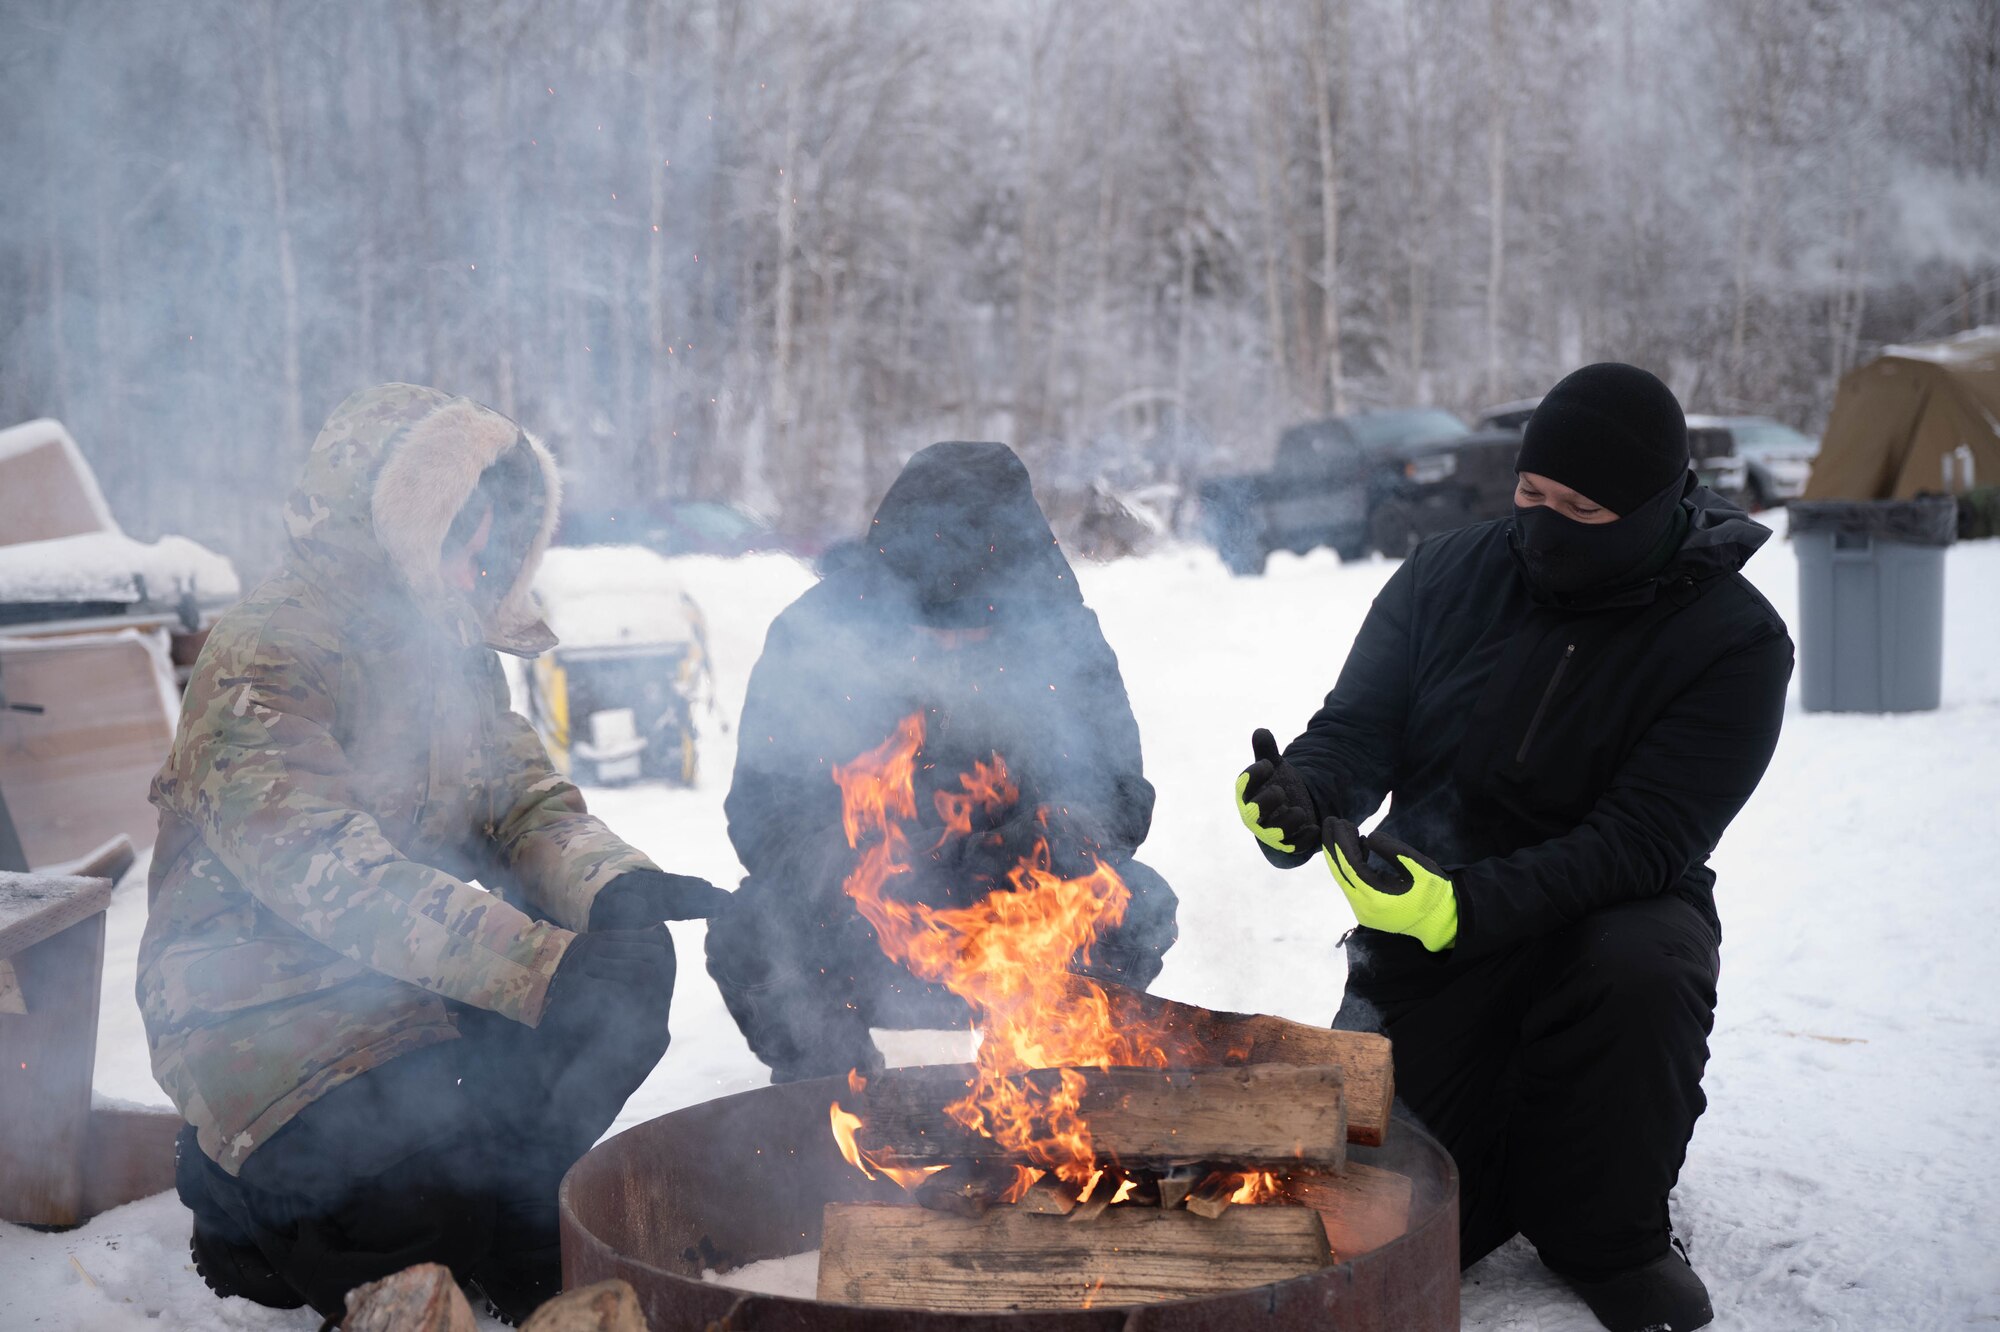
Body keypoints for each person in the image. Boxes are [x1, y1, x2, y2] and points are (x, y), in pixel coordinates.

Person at [139, 384, 728, 1322]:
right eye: (462, 542)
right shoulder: (266, 652)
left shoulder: (449, 650)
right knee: (407, 1197)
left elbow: (522, 802)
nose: (473, 574)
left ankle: (504, 1210)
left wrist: (615, 886)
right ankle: (243, 1208)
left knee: (625, 964)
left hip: (404, 992)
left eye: (490, 546)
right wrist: (538, 965)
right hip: (263, 1014)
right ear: (393, 524)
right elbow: (333, 875)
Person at [1234, 364, 1792, 1332]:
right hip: (1428, 932)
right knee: (1372, 1212)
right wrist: (1301, 795)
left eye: (1581, 508)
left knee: (1641, 964)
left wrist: (1465, 905)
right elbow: (1358, 730)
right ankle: (1504, 1162)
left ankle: (1608, 1233)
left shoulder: (1732, 641)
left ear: (1655, 507)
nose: (1543, 524)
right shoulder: (1447, 573)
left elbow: (1643, 838)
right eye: (1531, 495)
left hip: (1602, 920)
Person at [706, 441, 1178, 1082]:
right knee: (750, 931)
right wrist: (876, 861)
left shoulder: (1061, 637)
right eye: (934, 623)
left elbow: (1121, 790)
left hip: (1017, 913)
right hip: (864, 918)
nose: (955, 642)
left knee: (1137, 903)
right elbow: (762, 814)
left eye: (977, 622)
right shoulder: (816, 640)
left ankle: (1046, 1087)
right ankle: (833, 1099)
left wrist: (1044, 837)